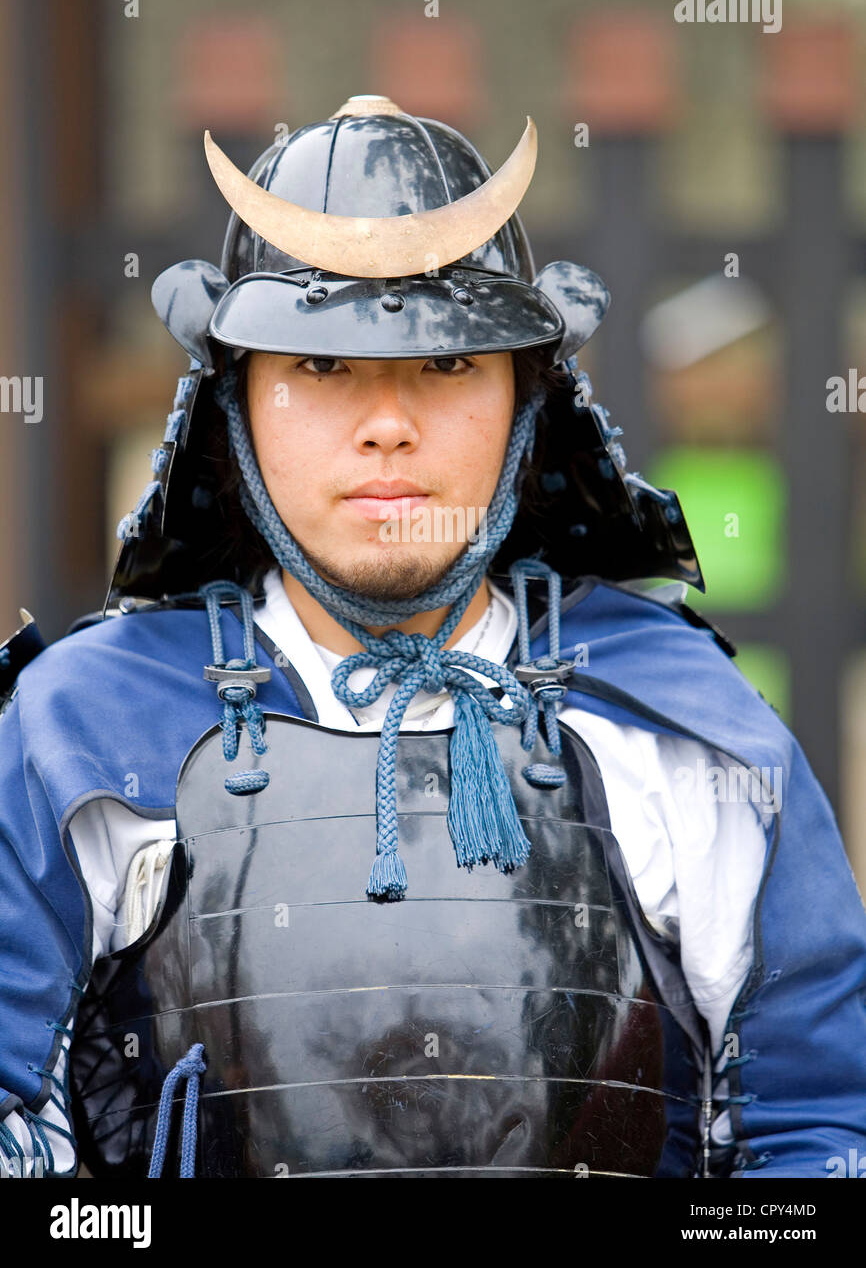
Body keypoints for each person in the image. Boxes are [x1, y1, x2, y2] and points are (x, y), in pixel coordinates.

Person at [1, 94, 865, 1180]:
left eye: (448, 363)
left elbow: (817, 1131)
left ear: (524, 394)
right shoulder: (84, 730)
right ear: (235, 402)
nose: (387, 421)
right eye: (320, 367)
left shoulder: (679, 727)